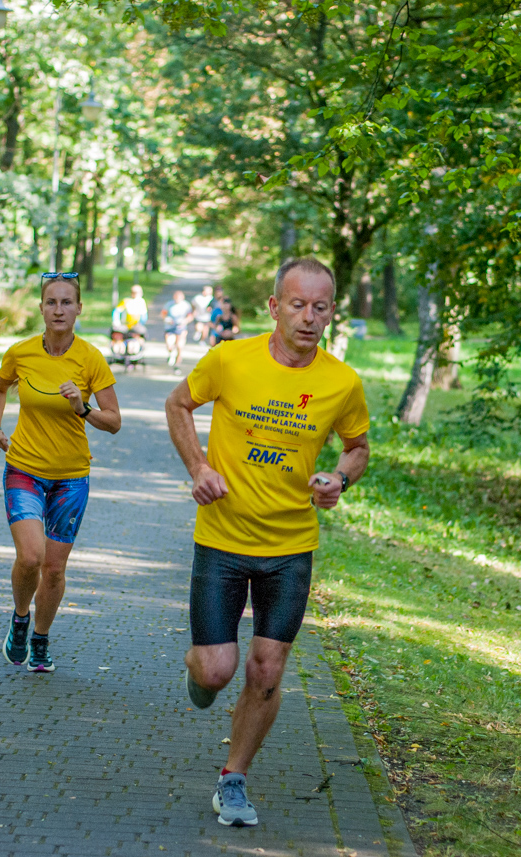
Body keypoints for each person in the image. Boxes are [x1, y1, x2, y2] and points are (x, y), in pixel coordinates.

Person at [164, 257, 371, 828]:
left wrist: (340, 478)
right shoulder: (231, 359)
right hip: (223, 537)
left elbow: (357, 446)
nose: (308, 317)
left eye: (320, 307)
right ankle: (198, 669)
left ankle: (234, 778)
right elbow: (177, 404)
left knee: (267, 668)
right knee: (215, 671)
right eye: (297, 305)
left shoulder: (340, 381)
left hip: (290, 546)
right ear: (275, 308)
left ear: (331, 312)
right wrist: (198, 466)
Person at [0, 272, 121, 673]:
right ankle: (21, 618)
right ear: (41, 308)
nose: (59, 309)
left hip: (71, 476)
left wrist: (82, 406)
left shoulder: (91, 358)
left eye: (67, 302)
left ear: (79, 308)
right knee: (30, 557)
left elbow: (114, 421)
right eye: (51, 302)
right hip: (24, 467)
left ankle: (41, 638)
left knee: (55, 568)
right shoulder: (21, 352)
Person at [111, 283, 149, 357]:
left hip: (135, 326)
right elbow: (117, 311)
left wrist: (141, 323)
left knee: (141, 332)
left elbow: (144, 316)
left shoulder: (141, 302)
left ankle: (137, 347)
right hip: (125, 325)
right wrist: (116, 321)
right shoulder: (126, 301)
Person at [161, 289, 193, 374]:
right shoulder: (169, 304)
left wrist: (185, 321)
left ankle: (177, 365)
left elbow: (190, 316)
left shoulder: (186, 305)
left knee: (179, 346)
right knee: (169, 344)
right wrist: (167, 319)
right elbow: (163, 314)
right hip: (170, 327)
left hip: (181, 328)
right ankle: (171, 354)